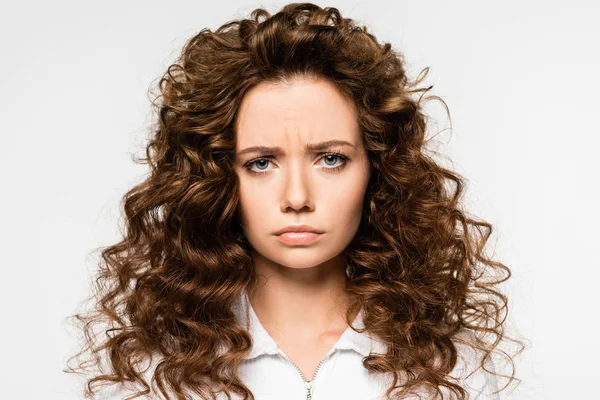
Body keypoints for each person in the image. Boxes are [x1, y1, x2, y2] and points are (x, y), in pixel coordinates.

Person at [65, 3, 522, 399]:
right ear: (218, 177)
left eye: (330, 159)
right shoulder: (154, 372)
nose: (297, 197)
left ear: (377, 170)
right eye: (262, 163)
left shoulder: (448, 364)